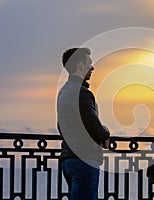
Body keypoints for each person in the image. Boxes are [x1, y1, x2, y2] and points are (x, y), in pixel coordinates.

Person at [57, 47, 110, 200]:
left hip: (69, 159)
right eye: (89, 63)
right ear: (80, 66)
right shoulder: (82, 94)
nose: (92, 67)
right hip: (84, 160)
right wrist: (105, 132)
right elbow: (94, 126)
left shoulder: (64, 92)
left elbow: (60, 126)